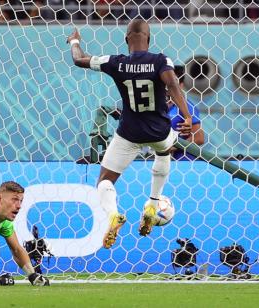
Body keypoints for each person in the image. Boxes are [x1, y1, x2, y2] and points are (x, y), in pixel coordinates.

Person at [67, 19, 192, 249]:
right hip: (159, 131)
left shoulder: (116, 62)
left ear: (126, 40)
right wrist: (187, 116)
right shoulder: (160, 60)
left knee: (104, 181)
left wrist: (74, 40)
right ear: (149, 39)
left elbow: (78, 59)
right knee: (165, 150)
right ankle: (153, 203)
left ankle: (114, 215)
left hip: (129, 133)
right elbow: (173, 83)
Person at [168, 65, 204, 160]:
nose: (168, 86)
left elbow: (199, 138)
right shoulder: (158, 105)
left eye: (173, 82)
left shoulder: (187, 107)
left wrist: (173, 147)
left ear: (181, 85)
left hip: (183, 160)